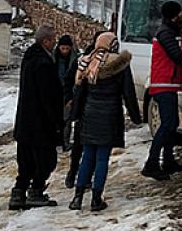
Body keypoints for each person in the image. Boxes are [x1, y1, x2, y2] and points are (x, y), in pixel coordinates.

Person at [69, 33, 142, 212]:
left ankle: (77, 198)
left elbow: (79, 91)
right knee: (102, 158)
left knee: (87, 156)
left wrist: (75, 115)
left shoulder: (87, 62)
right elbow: (128, 92)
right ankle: (96, 199)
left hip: (88, 115)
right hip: (109, 116)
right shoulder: (120, 64)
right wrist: (136, 116)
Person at [142, 1, 182, 181]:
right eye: (181, 14)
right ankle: (151, 164)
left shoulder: (171, 33)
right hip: (164, 85)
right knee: (167, 125)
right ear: (174, 15)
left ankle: (168, 161)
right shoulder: (165, 33)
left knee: (172, 124)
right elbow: (178, 56)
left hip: (169, 84)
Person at [10, 25, 64, 210]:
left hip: (25, 120)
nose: (55, 42)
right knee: (46, 160)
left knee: (26, 161)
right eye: (53, 39)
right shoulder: (43, 63)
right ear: (46, 41)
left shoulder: (29, 58)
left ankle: (18, 193)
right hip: (40, 123)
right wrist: (57, 120)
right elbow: (48, 96)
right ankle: (36, 191)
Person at [64, 31, 105, 188]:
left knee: (89, 146)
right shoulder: (84, 60)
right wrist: (69, 99)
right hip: (84, 108)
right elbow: (69, 80)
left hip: (94, 109)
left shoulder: (106, 61)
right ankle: (73, 173)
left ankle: (84, 177)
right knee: (81, 145)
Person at [54, 34, 78, 152]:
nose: (64, 51)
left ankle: (65, 142)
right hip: (55, 92)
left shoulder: (75, 60)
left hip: (68, 93)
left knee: (67, 120)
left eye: (67, 49)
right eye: (62, 48)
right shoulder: (54, 58)